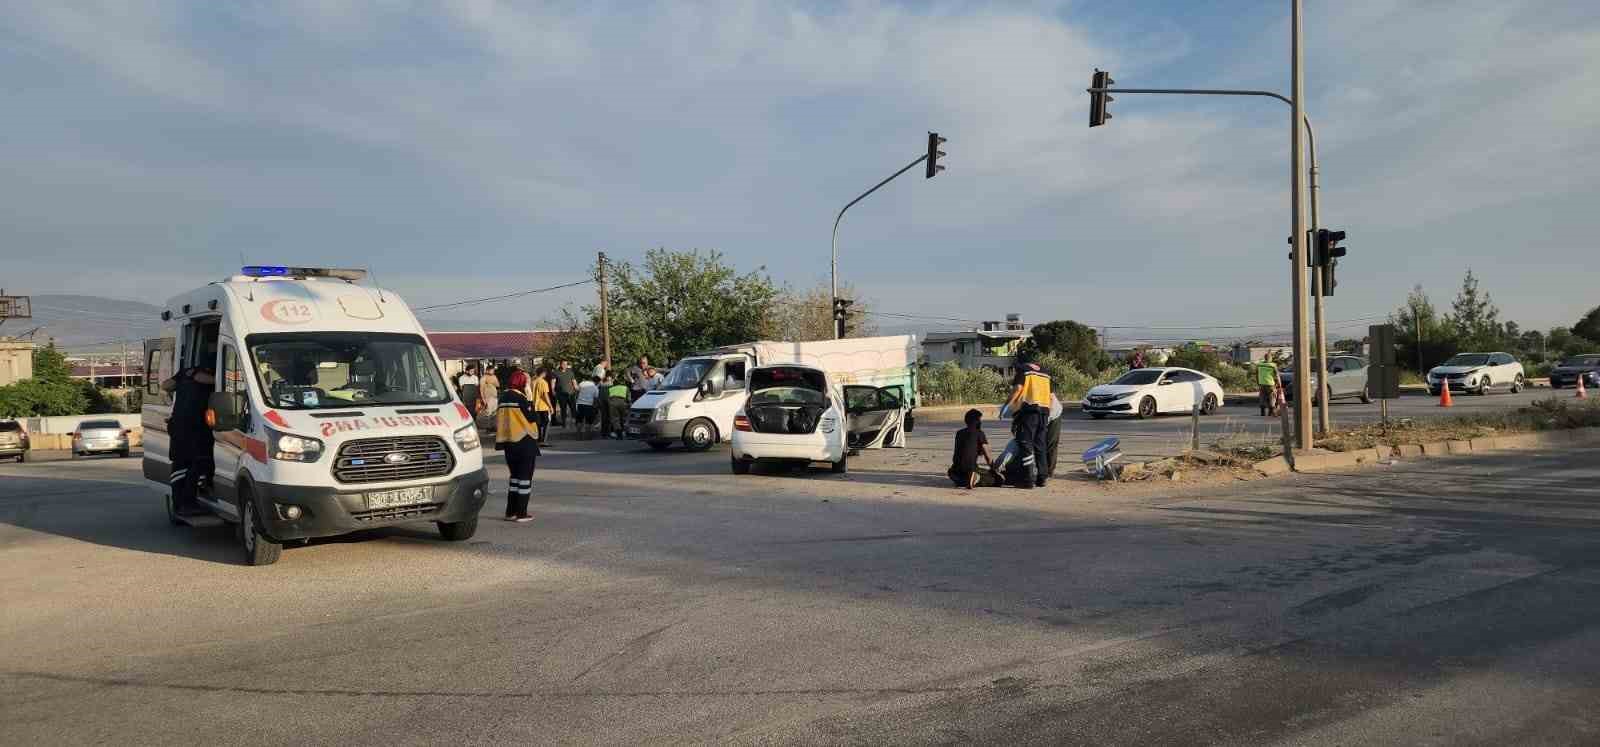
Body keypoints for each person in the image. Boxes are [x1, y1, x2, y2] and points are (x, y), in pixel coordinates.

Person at [161, 363, 216, 516]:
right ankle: (187, 503)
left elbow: (166, 385)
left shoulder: (185, 373)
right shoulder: (200, 373)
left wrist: (183, 378)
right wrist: (223, 379)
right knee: (197, 462)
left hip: (180, 426)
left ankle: (181, 504)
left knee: (183, 465)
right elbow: (201, 378)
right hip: (191, 427)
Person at [494, 370, 539, 523]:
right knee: (525, 478)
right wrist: (530, 399)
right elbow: (533, 417)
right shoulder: (521, 398)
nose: (528, 383)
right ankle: (521, 513)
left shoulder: (503, 397)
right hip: (524, 441)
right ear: (522, 383)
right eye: (527, 381)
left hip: (508, 442)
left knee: (514, 478)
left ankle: (510, 512)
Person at [1003, 358, 1053, 489]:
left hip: (1029, 411)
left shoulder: (1023, 370)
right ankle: (1042, 478)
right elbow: (1050, 396)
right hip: (1044, 412)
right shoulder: (1045, 373)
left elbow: (1018, 388)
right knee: (1040, 445)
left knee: (1026, 444)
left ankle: (1028, 479)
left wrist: (1006, 405)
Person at [947, 409, 993, 489]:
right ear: (977, 421)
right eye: (979, 420)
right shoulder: (979, 433)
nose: (980, 422)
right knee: (996, 479)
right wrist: (994, 469)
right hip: (971, 468)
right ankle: (976, 478)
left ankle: (966, 479)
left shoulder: (959, 433)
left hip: (955, 470)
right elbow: (988, 457)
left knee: (954, 474)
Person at [531, 366, 554, 446]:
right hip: (543, 406)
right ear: (543, 373)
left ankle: (538, 440)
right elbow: (545, 395)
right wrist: (550, 406)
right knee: (546, 423)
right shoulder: (543, 382)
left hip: (535, 405)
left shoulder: (533, 381)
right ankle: (544, 441)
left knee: (538, 424)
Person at [1044, 393, 1064, 479]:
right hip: (1040, 414)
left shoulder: (1044, 385)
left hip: (1053, 413)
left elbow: (1051, 398)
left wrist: (1045, 419)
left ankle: (1049, 471)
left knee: (1051, 443)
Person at [575, 375, 600, 439]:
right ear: (597, 382)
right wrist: (595, 406)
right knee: (588, 421)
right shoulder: (595, 387)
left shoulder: (582, 383)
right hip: (589, 405)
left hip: (580, 404)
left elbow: (577, 392)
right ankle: (587, 436)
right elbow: (595, 399)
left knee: (579, 420)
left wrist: (577, 400)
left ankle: (578, 436)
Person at [554, 360, 576, 428]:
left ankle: (575, 423)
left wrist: (577, 389)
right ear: (560, 364)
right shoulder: (556, 372)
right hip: (561, 394)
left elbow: (574, 382)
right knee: (563, 409)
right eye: (563, 364)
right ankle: (564, 423)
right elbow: (553, 382)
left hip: (571, 394)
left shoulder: (570, 372)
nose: (565, 365)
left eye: (566, 364)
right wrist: (553, 391)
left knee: (573, 408)